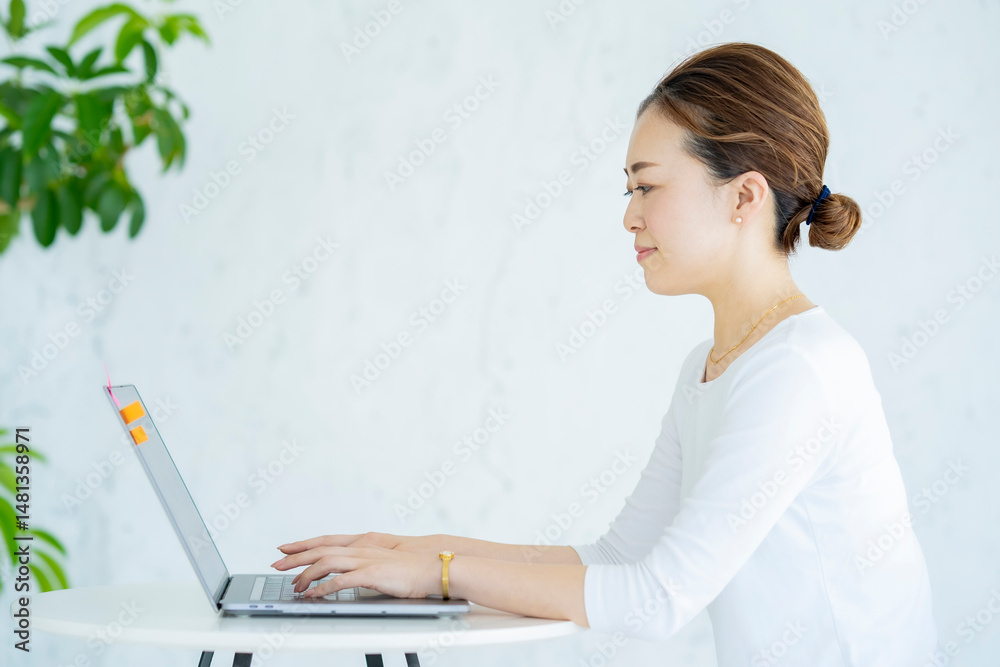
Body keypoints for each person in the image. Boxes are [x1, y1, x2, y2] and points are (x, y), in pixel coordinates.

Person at [271, 42, 939, 665]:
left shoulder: (799, 370)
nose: (629, 216)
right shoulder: (712, 366)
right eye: (630, 190)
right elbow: (618, 558)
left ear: (744, 196)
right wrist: (417, 551)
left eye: (647, 187)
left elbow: (657, 597)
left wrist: (438, 575)